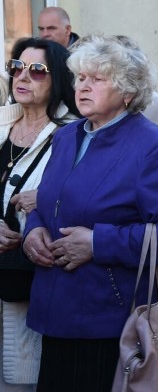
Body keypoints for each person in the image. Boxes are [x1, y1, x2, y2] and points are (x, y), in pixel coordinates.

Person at [21, 35, 158, 391]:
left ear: (127, 91)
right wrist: (33, 230)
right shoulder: (66, 137)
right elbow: (51, 201)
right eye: (80, 78)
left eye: (96, 79)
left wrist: (99, 243)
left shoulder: (152, 146)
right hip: (57, 311)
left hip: (113, 320)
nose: (83, 87)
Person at [0, 38, 79, 391]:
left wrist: (45, 199)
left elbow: (81, 202)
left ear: (58, 78)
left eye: (36, 71)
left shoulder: (73, 134)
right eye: (17, 67)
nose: (22, 77)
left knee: (23, 380)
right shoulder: (1, 126)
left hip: (32, 278)